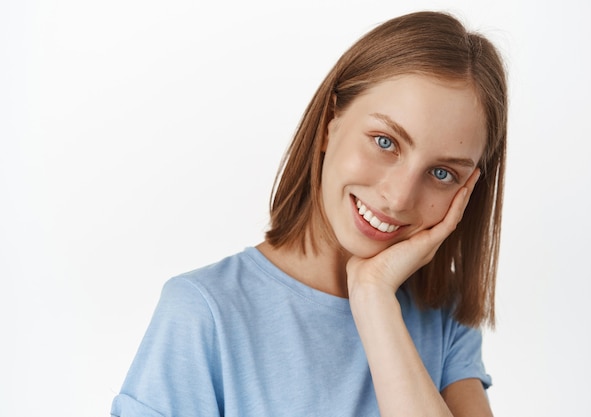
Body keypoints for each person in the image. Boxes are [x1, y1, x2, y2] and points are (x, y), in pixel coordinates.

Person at [111, 10, 507, 417]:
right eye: (385, 142)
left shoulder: (442, 317)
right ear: (328, 126)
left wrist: (373, 298)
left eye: (442, 173)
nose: (399, 198)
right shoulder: (202, 314)